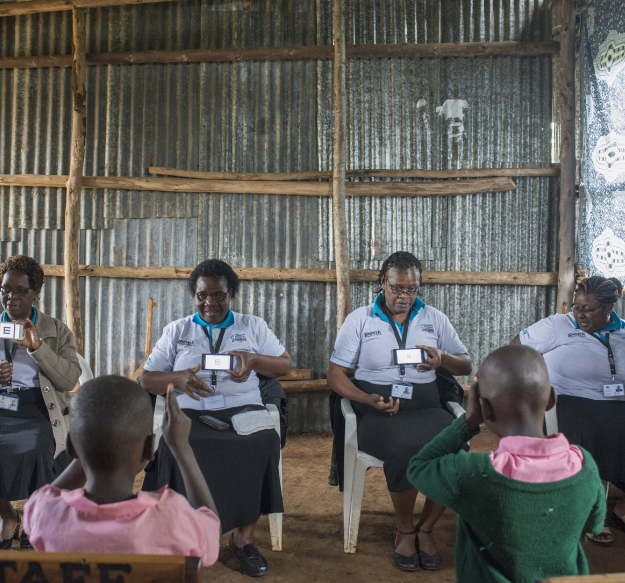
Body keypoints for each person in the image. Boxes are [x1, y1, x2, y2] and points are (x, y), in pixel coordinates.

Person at [140, 259, 291, 577]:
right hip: (191, 410)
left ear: (231, 293)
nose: (210, 302)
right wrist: (177, 378)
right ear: (193, 295)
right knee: (175, 443)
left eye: (218, 295)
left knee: (263, 440)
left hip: (243, 409)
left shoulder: (252, 326)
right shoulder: (178, 330)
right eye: (202, 295)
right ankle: (182, 535)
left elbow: (284, 365)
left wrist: (253, 359)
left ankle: (243, 539)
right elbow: (146, 379)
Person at [407, 345, 606, 583]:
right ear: (551, 399)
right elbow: (593, 524)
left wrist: (468, 422)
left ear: (484, 409)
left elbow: (419, 467)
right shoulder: (584, 464)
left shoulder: (473, 472)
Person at [327, 251, 472, 571]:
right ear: (383, 283)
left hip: (427, 407)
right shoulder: (360, 320)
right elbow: (335, 375)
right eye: (397, 288)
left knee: (457, 449)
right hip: (378, 412)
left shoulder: (435, 318)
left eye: (412, 290)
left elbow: (466, 364)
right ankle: (405, 528)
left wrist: (441, 359)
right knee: (404, 449)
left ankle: (426, 528)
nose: (405, 297)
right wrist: (365, 399)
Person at [23, 377, 220, 565]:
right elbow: (211, 530)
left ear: (71, 447)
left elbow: (45, 496)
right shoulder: (173, 518)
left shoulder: (46, 512)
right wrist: (181, 447)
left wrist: (84, 448)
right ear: (149, 449)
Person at [511, 276, 625, 544]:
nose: (579, 314)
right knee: (584, 428)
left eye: (587, 309)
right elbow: (514, 350)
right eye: (576, 307)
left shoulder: (622, 333)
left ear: (608, 309)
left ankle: (618, 510)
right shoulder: (559, 325)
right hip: (568, 398)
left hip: (616, 403)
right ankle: (589, 513)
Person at [0, 255, 80, 550]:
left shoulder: (56, 331)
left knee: (38, 451)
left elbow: (69, 379)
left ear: (36, 294)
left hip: (40, 411)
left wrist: (37, 348)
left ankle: (35, 521)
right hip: (3, 407)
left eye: (21, 291)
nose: (12, 298)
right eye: (6, 290)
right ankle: (8, 517)